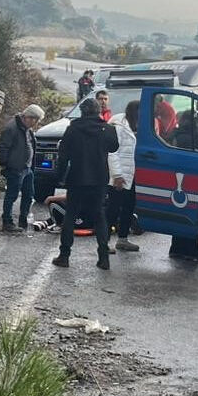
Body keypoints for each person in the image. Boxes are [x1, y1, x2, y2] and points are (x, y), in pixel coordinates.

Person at [51, 97, 119, 269]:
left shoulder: (73, 129)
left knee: (70, 215)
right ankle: (104, 257)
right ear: (98, 111)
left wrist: (59, 177)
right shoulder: (107, 129)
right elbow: (114, 147)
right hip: (99, 179)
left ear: (82, 112)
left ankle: (64, 255)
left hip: (77, 178)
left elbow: (63, 156)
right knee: (99, 216)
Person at [0, 104, 44, 231]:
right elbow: (2, 148)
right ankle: (7, 222)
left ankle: (23, 219)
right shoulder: (11, 128)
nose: (35, 123)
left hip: (27, 168)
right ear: (28, 117)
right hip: (15, 168)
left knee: (29, 195)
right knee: (11, 196)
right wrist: (6, 165)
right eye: (35, 120)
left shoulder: (26, 128)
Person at [108, 100, 140, 252]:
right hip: (119, 176)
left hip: (131, 174)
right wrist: (117, 176)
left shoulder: (136, 126)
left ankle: (123, 239)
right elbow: (112, 152)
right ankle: (104, 241)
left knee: (128, 207)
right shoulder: (119, 126)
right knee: (113, 209)